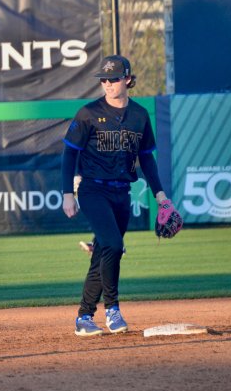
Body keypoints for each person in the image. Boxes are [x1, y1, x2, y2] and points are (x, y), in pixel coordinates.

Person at [61, 54, 170, 336]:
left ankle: (84, 317)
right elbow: (69, 153)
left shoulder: (140, 115)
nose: (108, 84)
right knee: (112, 244)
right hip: (93, 189)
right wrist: (66, 193)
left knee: (105, 252)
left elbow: (146, 160)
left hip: (122, 193)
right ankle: (112, 309)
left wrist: (160, 196)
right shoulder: (88, 113)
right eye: (104, 80)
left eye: (113, 79)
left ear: (128, 79)